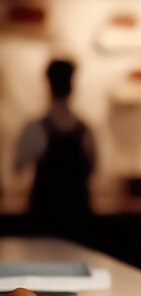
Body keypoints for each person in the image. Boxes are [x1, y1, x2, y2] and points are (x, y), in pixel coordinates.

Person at [14, 59, 95, 243]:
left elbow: (17, 168)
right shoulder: (85, 130)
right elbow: (93, 169)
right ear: (72, 86)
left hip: (66, 223)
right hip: (58, 222)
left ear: (48, 86)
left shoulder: (34, 129)